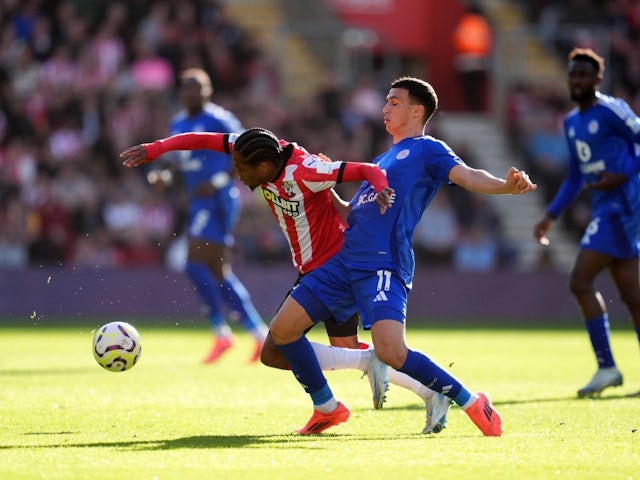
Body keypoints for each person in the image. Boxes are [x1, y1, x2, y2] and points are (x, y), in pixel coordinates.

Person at [121, 127, 452, 434]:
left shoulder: (305, 169)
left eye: (243, 168)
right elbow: (203, 139)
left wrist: (381, 190)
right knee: (344, 349)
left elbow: (366, 169)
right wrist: (157, 148)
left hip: (331, 269)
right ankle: (426, 392)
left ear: (265, 166)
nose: (237, 172)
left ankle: (331, 404)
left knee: (276, 351)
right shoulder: (254, 147)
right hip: (315, 266)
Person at [267, 76, 536, 436]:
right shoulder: (383, 157)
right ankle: (326, 406)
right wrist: (326, 188)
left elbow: (468, 175)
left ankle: (471, 401)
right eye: (386, 102)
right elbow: (354, 212)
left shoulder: (428, 149)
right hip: (344, 261)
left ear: (416, 110)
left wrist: (505, 186)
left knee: (392, 352)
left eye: (394, 102)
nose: (385, 108)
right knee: (283, 331)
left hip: (382, 262)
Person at [533, 48, 640, 398]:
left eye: (584, 75)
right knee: (632, 292)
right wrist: (550, 216)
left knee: (580, 280)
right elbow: (575, 177)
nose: (577, 81)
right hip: (604, 206)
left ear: (597, 79)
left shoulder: (612, 111)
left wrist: (621, 175)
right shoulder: (572, 122)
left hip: (624, 205)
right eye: (572, 75)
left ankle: (607, 366)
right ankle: (608, 367)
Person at [157, 68, 268, 363]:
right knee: (219, 273)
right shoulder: (179, 122)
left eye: (198, 87)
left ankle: (222, 333)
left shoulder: (220, 119)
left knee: (195, 265)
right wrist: (162, 176)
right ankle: (258, 335)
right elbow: (177, 160)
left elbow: (247, 152)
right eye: (187, 87)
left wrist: (218, 181)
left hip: (218, 200)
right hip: (198, 202)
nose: (192, 92)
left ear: (208, 91)